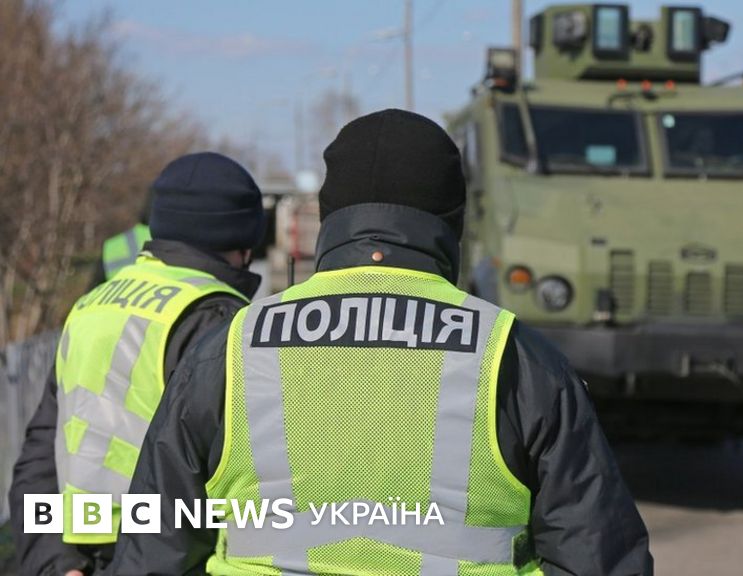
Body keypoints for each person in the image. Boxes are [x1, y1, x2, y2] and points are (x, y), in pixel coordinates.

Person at [112, 109, 653, 575]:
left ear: (330, 219)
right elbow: (597, 555)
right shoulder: (515, 358)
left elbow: (154, 544)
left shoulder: (229, 349)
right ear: (451, 222)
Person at [9, 152, 265, 576]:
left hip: (78, 554)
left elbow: (39, 455)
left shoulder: (91, 305)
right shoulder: (220, 320)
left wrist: (57, 563)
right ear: (243, 240)